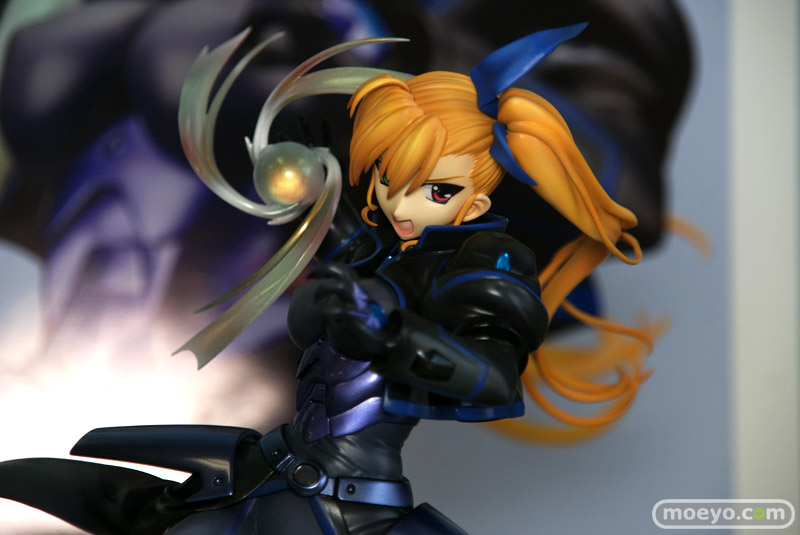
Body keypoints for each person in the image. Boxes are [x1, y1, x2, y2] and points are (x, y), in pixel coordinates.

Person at [0, 24, 647, 535]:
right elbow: (324, 318)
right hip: (275, 467)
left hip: (343, 502)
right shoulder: (377, 249)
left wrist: (393, 335)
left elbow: (493, 376)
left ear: (473, 202)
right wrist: (334, 242)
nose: (401, 204)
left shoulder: (481, 264)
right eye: (390, 179)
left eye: (435, 190)